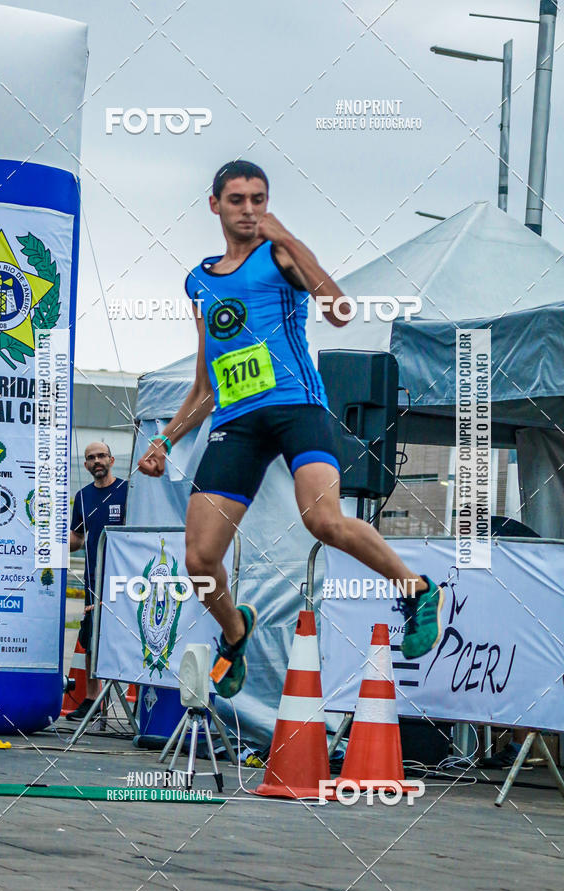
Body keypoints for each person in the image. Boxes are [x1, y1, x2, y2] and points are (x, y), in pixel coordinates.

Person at [138, 159, 444, 699]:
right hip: (235, 422)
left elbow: (340, 308)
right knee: (200, 559)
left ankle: (415, 589)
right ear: (215, 206)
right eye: (238, 200)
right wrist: (166, 439)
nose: (250, 209)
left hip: (295, 406)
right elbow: (207, 383)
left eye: (259, 199)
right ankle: (236, 633)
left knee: (323, 521)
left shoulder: (278, 255)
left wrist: (288, 237)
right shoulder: (200, 280)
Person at [67, 441, 128, 720]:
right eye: (91, 458)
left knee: (126, 637)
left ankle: (140, 703)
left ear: (112, 459)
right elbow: (77, 539)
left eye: (101, 455)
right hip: (95, 578)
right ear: (86, 465)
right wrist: (49, 538)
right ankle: (93, 701)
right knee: (90, 636)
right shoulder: (82, 497)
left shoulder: (128, 491)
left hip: (126, 580)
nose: (97, 461)